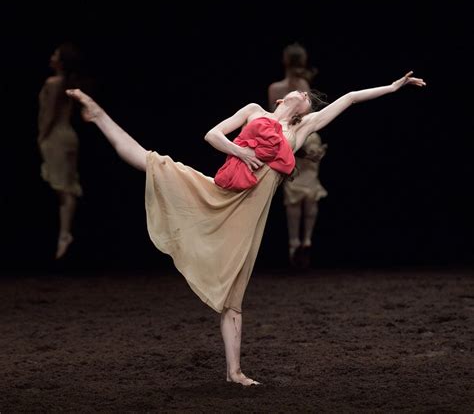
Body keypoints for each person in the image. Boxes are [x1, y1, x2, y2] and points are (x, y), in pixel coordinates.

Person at [66, 70, 426, 386]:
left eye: (308, 97)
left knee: (234, 292)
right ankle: (98, 116)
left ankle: (234, 371)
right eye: (301, 93)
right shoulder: (254, 111)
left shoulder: (301, 130)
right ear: (283, 98)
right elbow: (212, 135)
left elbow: (348, 99)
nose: (306, 95)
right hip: (220, 193)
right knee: (156, 165)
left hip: (246, 217)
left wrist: (392, 87)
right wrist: (241, 153)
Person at [268, 43, 328, 266]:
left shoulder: (274, 89)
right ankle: (307, 239)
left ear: (284, 61)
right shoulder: (303, 84)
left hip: (285, 139)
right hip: (307, 135)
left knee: (293, 193)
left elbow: (274, 118)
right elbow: (309, 115)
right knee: (310, 191)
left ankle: (294, 243)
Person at [37, 42, 92, 259]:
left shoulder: (54, 82)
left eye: (55, 54)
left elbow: (49, 114)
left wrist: (42, 136)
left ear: (60, 61)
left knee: (63, 188)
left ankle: (64, 233)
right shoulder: (69, 83)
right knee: (66, 187)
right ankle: (64, 232)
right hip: (69, 136)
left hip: (56, 137)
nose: (51, 57)